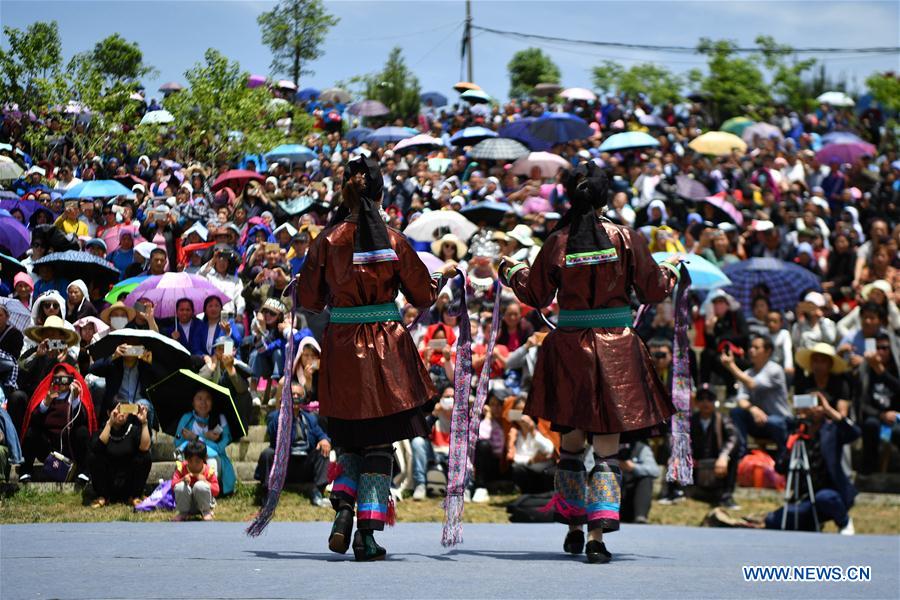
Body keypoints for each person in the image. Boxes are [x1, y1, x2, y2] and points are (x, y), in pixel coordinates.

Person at [498, 162, 681, 564]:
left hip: (569, 349)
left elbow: (535, 294)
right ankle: (597, 536)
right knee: (606, 448)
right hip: (616, 349)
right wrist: (670, 269)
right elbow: (654, 289)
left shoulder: (558, 241)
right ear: (605, 198)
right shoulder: (627, 238)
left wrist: (511, 271)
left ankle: (573, 526)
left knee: (572, 443)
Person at [296, 155, 456, 561]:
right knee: (379, 444)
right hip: (385, 351)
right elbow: (423, 295)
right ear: (381, 195)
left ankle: (343, 509)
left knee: (349, 439)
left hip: (342, 349)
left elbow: (309, 300)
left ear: (344, 193)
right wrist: (444, 274)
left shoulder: (327, 240)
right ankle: (366, 536)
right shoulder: (394, 240)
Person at [762, 393, 859, 535]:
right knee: (772, 520)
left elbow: (855, 433)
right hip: (806, 498)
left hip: (831, 494)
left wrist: (829, 410)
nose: (811, 409)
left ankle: (844, 522)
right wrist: (790, 445)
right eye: (808, 404)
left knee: (824, 498)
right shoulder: (797, 433)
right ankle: (811, 523)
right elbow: (780, 467)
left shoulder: (832, 430)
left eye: (816, 405)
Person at [17, 363, 97, 484]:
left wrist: (76, 400)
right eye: (57, 379)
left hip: (70, 446)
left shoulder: (76, 396)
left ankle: (84, 472)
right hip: (49, 448)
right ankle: (26, 471)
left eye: (65, 379)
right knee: (32, 432)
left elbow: (82, 420)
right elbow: (33, 420)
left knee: (82, 432)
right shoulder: (47, 395)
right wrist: (46, 403)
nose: (61, 383)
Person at [724, 335, 793, 458]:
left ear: (768, 351)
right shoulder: (747, 373)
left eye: (756, 347)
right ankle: (741, 455)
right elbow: (741, 400)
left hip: (780, 421)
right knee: (736, 412)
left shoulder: (775, 370)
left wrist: (731, 366)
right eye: (751, 347)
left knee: (774, 421)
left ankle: (784, 458)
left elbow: (752, 384)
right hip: (758, 421)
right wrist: (753, 409)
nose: (751, 350)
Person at [256, 395, 331, 506]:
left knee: (323, 451)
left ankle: (317, 492)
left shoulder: (310, 419)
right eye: (292, 394)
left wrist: (324, 440)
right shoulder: (275, 417)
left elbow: (321, 434)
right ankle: (268, 494)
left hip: (304, 462)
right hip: (284, 464)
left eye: (298, 395)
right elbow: (273, 433)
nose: (295, 397)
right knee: (267, 453)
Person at [173, 388, 236, 496]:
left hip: (213, 458)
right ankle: (186, 489)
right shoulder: (186, 419)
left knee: (212, 461)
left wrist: (196, 437)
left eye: (208, 398)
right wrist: (205, 438)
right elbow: (178, 444)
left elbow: (220, 447)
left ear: (212, 402)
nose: (203, 402)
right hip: (190, 458)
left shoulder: (220, 419)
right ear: (193, 402)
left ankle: (209, 492)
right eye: (199, 398)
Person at [89, 402, 151, 508]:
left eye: (125, 410)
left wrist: (144, 423)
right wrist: (110, 423)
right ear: (109, 412)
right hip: (109, 482)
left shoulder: (133, 430)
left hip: (128, 482)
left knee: (145, 457)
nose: (122, 414)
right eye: (118, 410)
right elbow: (97, 448)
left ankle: (135, 496)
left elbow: (145, 448)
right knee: (94, 456)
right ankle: (103, 497)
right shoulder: (103, 430)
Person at [689, 384, 740, 509]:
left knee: (733, 456)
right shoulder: (690, 421)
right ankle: (674, 492)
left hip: (717, 465)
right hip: (696, 464)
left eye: (709, 399)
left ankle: (726, 495)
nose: (705, 402)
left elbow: (733, 437)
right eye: (701, 399)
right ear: (696, 402)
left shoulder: (723, 419)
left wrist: (724, 456)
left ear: (715, 401)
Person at [859, 332, 900, 474]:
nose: (880, 352)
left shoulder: (896, 369)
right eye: (877, 348)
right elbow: (862, 403)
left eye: (884, 348)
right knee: (870, 425)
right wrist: (881, 415)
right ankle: (869, 471)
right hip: (876, 415)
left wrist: (882, 372)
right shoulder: (866, 371)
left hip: (897, 415)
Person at [172, 440, 220, 521]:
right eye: (190, 461)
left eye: (197, 461)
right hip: (187, 506)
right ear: (186, 459)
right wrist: (182, 479)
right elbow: (173, 485)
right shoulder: (181, 468)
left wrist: (205, 481)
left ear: (204, 459)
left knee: (200, 485)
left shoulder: (208, 471)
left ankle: (206, 512)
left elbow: (216, 490)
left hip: (204, 504)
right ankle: (182, 513)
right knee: (180, 486)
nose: (193, 464)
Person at [617, 439, 660, 524]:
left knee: (646, 479)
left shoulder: (641, 447)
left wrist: (633, 467)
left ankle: (640, 517)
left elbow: (655, 471)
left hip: (631, 497)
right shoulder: (602, 444)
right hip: (613, 494)